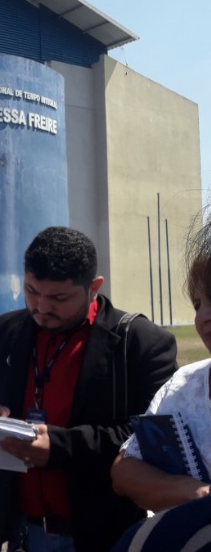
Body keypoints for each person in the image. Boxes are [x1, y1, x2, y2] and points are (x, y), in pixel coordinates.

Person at [0, 226, 178, 552]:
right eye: (31, 290)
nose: (41, 307)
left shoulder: (140, 343)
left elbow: (152, 441)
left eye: (59, 298)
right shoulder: (7, 330)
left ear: (94, 288)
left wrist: (61, 447)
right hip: (18, 528)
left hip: (99, 533)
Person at [111, 213, 211, 512]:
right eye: (198, 304)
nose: (203, 316)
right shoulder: (182, 386)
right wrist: (191, 491)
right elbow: (123, 471)